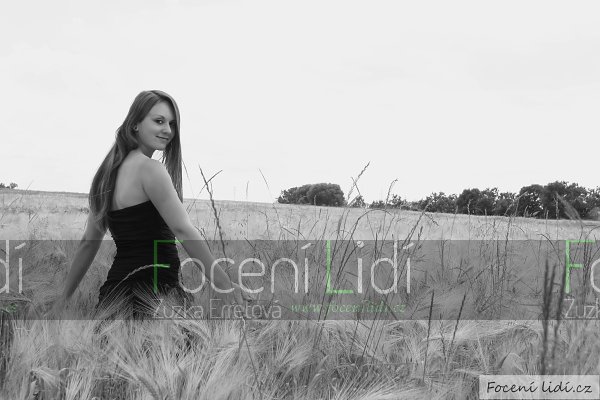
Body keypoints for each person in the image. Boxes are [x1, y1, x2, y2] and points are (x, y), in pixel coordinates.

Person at [49, 90, 244, 319]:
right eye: (159, 121)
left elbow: (88, 243)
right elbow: (182, 229)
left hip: (114, 297)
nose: (168, 130)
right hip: (157, 296)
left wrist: (62, 300)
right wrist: (223, 284)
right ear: (135, 124)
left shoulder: (106, 176)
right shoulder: (151, 170)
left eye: (172, 124)